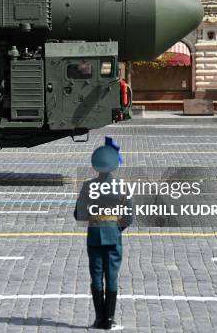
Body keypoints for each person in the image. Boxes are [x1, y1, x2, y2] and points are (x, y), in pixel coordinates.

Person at [75, 137, 129, 330]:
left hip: (95, 235)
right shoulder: (122, 186)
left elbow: (79, 214)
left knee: (96, 276)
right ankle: (110, 320)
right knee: (112, 277)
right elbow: (129, 216)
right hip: (113, 235)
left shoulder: (88, 186)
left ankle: (99, 320)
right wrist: (115, 228)